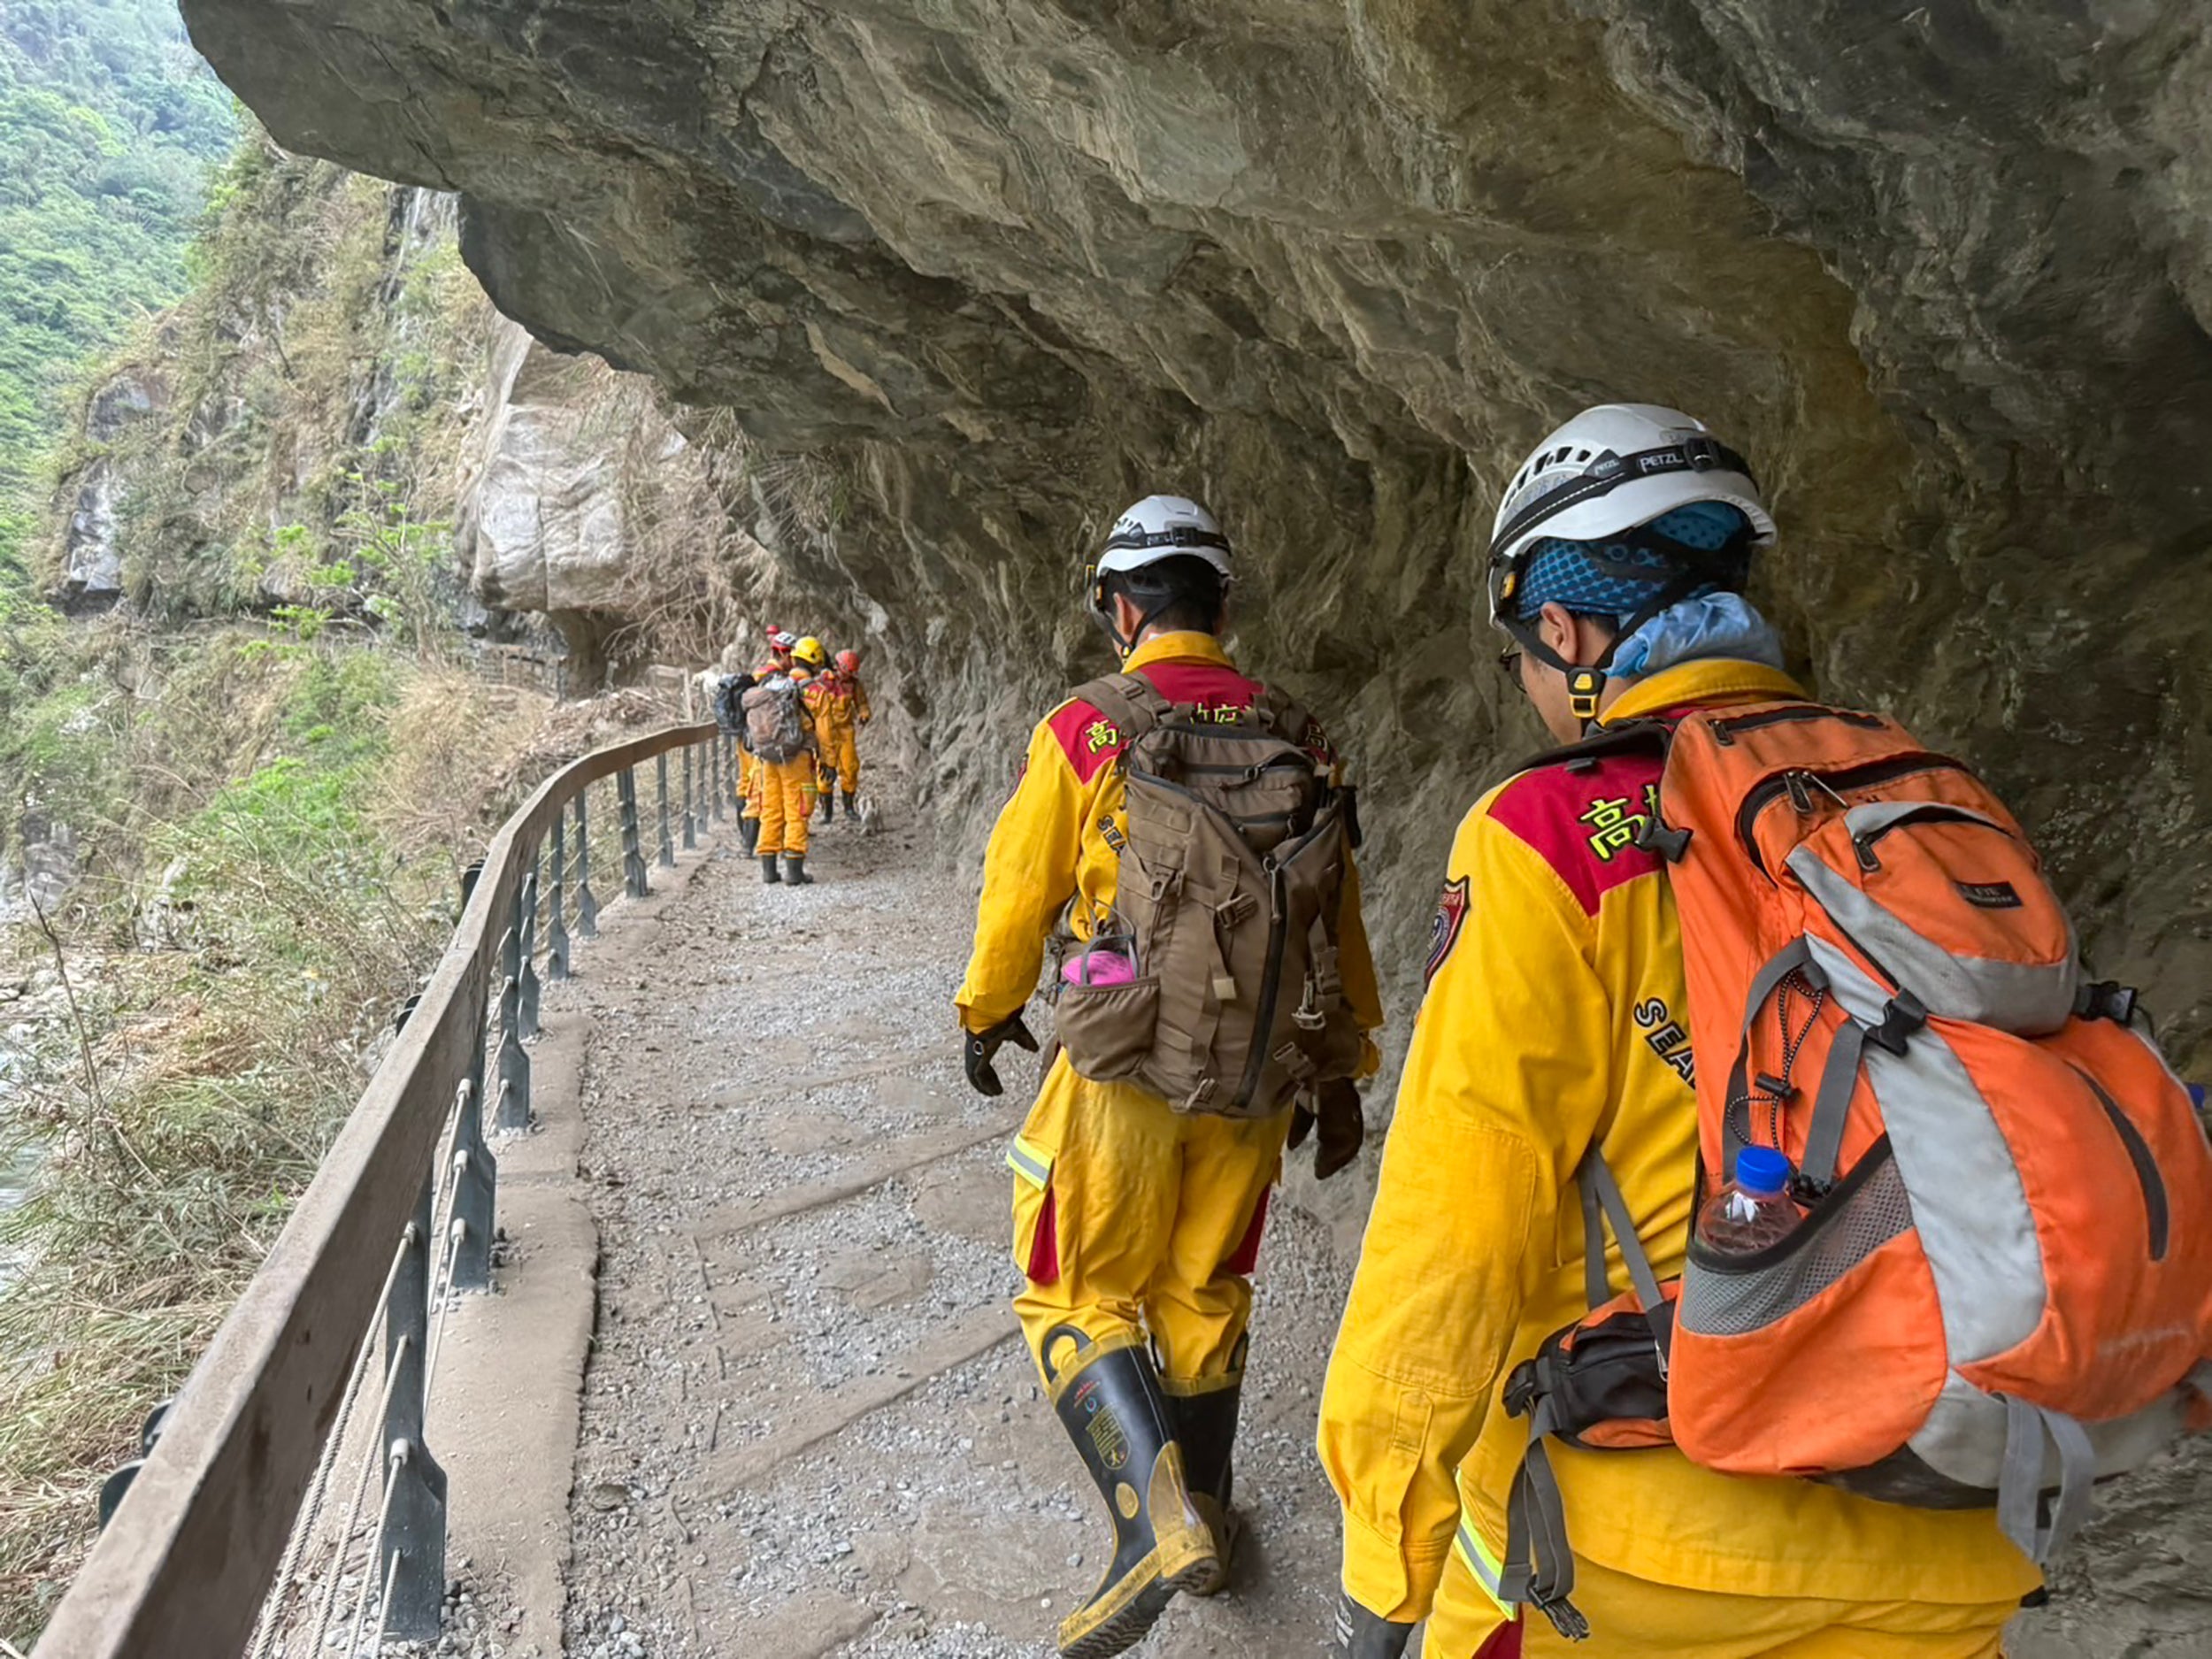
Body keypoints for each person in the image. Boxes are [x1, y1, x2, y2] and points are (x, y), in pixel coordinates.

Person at [1320, 404, 2039, 1659]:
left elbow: (1453, 1238)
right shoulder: (1935, 797)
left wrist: (1383, 1553)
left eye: (1525, 661)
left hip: (1656, 1543)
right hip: (1964, 1518)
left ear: (1564, 628)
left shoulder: (1552, 833)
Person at [957, 494, 1387, 1659]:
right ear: (1223, 605)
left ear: (1121, 606)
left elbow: (1022, 887)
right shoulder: (1306, 731)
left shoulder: (1090, 726)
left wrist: (988, 1010)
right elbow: (1334, 913)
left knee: (1072, 1284)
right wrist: (1338, 1063)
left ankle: (1149, 1529)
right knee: (1205, 1285)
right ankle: (1210, 1502)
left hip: (1120, 1048)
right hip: (1255, 1071)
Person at [749, 635, 818, 886]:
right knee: (797, 809)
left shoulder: (762, 685)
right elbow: (811, 722)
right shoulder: (793, 686)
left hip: (767, 756)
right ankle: (794, 871)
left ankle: (768, 870)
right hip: (794, 756)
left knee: (770, 810)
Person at [812, 647, 872, 821]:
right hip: (825, 732)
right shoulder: (823, 681)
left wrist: (864, 713)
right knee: (824, 772)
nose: (850, 675)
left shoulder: (854, 684)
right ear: (839, 667)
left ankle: (849, 807)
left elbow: (862, 703)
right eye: (849, 671)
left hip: (845, 731)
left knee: (850, 767)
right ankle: (827, 812)